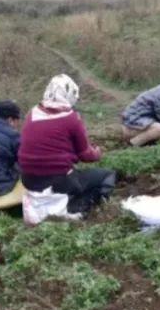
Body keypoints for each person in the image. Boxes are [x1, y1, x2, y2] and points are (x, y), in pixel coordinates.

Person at [17, 74, 116, 217]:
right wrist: (97, 152)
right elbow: (85, 155)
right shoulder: (71, 118)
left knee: (72, 175)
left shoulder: (32, 113)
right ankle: (78, 208)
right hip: (58, 180)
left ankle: (60, 201)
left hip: (28, 180)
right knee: (107, 176)